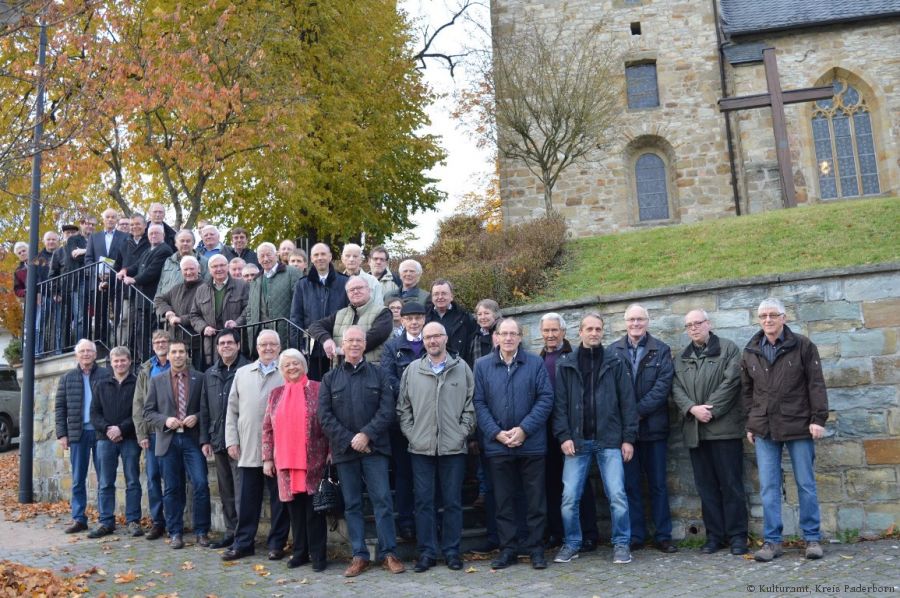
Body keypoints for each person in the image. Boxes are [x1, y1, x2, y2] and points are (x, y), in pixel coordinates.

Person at [742, 298, 828, 562]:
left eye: (773, 315)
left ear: (784, 317)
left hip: (799, 424)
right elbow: (747, 392)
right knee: (768, 486)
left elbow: (816, 384)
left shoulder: (802, 345)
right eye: (763, 316)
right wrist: (751, 423)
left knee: (805, 484)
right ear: (758, 320)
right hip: (765, 428)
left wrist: (818, 419)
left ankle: (812, 539)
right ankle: (772, 542)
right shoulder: (750, 350)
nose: (768, 320)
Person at [318, 325, 405, 577]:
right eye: (349, 341)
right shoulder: (329, 379)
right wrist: (350, 439)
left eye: (358, 341)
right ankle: (359, 555)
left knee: (383, 501)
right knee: (353, 505)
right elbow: (324, 416)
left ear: (365, 345)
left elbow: (387, 410)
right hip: (345, 451)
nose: (354, 345)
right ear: (342, 345)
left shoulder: (379, 376)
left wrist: (366, 435)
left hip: (375, 448)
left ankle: (390, 553)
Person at [552, 313, 638, 566]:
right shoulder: (566, 364)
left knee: (618, 496)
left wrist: (628, 438)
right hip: (576, 443)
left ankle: (622, 544)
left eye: (598, 329)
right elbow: (560, 406)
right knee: (569, 498)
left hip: (610, 440)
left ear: (603, 332)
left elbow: (628, 402)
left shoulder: (615, 362)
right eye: (589, 328)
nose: (593, 333)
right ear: (579, 332)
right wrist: (564, 436)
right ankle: (572, 543)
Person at [473, 318, 554, 570]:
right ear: (495, 337)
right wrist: (496, 433)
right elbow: (478, 402)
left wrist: (524, 430)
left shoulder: (535, 362)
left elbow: (545, 398)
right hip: (498, 445)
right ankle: (507, 549)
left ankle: (536, 549)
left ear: (520, 337)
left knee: (535, 500)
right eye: (503, 333)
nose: (508, 338)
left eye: (513, 334)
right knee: (503, 500)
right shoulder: (482, 365)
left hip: (531, 444)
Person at [397, 322, 475, 573]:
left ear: (445, 337)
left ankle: (452, 551)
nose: (432, 341)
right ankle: (427, 552)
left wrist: (461, 434)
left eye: (437, 336)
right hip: (421, 448)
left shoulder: (461, 368)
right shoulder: (412, 370)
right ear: (423, 340)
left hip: (453, 449)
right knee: (424, 502)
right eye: (428, 337)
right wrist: (412, 434)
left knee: (452, 502)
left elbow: (470, 406)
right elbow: (403, 408)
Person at [671, 309, 748, 556]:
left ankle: (738, 536)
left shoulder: (728, 349)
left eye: (698, 323)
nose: (694, 328)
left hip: (724, 431)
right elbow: (675, 388)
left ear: (708, 324)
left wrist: (709, 410)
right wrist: (692, 409)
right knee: (706, 488)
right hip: (695, 432)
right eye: (689, 325)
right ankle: (715, 536)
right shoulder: (681, 357)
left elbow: (732, 382)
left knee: (731, 486)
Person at [609, 304, 676, 553]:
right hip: (626, 434)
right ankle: (635, 534)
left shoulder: (661, 349)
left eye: (640, 319)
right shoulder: (612, 351)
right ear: (624, 322)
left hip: (654, 429)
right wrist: (628, 418)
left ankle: (663, 535)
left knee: (658, 484)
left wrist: (635, 412)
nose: (635, 324)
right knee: (630, 485)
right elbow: (610, 390)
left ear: (647, 322)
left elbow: (662, 387)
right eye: (631, 320)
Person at [221, 330, 291, 561]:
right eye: (263, 344)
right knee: (247, 499)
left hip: (280, 449)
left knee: (279, 500)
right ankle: (243, 543)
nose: (268, 348)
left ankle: (276, 544)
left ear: (279, 347)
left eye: (273, 344)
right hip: (249, 447)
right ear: (257, 347)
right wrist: (231, 440)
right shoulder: (242, 374)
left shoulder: (287, 372)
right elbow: (231, 410)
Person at [261, 349, 329, 571]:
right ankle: (300, 552)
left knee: (314, 510)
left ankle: (318, 555)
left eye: (296, 363)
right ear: (281, 370)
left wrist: (331, 451)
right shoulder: (275, 394)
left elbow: (329, 422)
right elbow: (267, 429)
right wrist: (267, 459)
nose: (292, 368)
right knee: (294, 510)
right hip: (285, 462)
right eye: (287, 365)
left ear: (304, 366)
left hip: (314, 460)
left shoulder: (318, 389)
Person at [538, 312, 599, 552]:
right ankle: (558, 532)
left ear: (564, 332)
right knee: (552, 484)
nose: (551, 335)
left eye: (555, 330)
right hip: (547, 431)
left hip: (573, 430)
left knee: (579, 484)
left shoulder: (574, 357)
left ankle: (589, 534)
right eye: (546, 331)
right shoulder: (540, 358)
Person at [143, 339, 211, 549]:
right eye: (174, 352)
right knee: (172, 488)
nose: (178, 355)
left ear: (186, 354)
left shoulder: (199, 378)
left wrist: (197, 417)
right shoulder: (157, 380)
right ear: (168, 355)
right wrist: (165, 420)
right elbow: (148, 412)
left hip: (192, 440)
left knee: (200, 484)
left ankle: (201, 532)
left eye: (182, 351)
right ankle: (175, 532)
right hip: (168, 440)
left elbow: (207, 408)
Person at [379, 301, 428, 542]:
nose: (415, 322)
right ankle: (406, 522)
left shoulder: (434, 342)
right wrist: (413, 397)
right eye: (410, 318)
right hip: (402, 420)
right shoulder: (392, 346)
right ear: (403, 321)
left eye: (419, 317)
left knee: (428, 474)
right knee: (404, 472)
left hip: (431, 420)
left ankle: (428, 522)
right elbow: (388, 378)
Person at [200, 329, 250, 549]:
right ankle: (231, 531)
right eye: (221, 343)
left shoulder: (248, 369)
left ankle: (243, 535)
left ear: (238, 345)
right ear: (217, 347)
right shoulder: (210, 373)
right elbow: (203, 408)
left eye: (230, 342)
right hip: (217, 438)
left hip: (241, 441)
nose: (226, 346)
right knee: (226, 490)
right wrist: (205, 439)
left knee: (241, 491)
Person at [88, 346, 143, 538]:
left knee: (133, 481)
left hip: (130, 438)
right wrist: (108, 429)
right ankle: (106, 522)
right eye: (116, 361)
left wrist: (122, 428)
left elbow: (140, 412)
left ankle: (133, 521)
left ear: (129, 361)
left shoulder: (137, 383)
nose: (119, 364)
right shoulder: (101, 384)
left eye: (123, 360)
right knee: (105, 483)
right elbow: (94, 413)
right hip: (105, 440)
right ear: (111, 363)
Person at [54, 339, 108, 534]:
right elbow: (60, 408)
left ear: (95, 354)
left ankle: (105, 518)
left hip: (101, 433)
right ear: (76, 355)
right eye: (82, 351)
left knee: (104, 478)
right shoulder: (67, 378)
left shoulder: (105, 374)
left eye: (89, 351)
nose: (86, 354)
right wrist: (62, 433)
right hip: (78, 434)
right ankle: (79, 519)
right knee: (78, 478)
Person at [288, 242, 348, 380]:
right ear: (311, 259)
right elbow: (296, 317)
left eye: (323, 254)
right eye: (316, 255)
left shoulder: (344, 282)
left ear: (330, 256)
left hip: (338, 347)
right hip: (311, 349)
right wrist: (298, 347)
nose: (320, 257)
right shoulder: (302, 285)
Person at [132, 330, 172, 540]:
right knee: (153, 478)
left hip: (173, 431)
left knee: (174, 479)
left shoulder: (179, 363)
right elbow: (138, 404)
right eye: (157, 341)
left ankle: (175, 521)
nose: (161, 344)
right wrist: (141, 434)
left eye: (164, 340)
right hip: (152, 433)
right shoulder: (146, 369)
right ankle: (158, 522)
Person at [308, 275, 392, 367]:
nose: (356, 291)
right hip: (341, 372)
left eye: (359, 288)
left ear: (369, 290)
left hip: (371, 371)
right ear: (347, 294)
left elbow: (374, 337)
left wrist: (343, 349)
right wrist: (326, 340)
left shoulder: (383, 312)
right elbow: (314, 326)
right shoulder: (340, 314)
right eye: (351, 290)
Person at [236, 242, 300, 350]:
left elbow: (299, 304)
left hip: (286, 335)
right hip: (261, 337)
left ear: (276, 255)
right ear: (258, 259)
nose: (265, 259)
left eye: (269, 255)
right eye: (262, 256)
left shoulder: (292, 273)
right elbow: (250, 309)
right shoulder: (256, 280)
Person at [190, 254, 249, 367]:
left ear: (227, 267)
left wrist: (237, 322)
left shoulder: (242, 285)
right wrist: (203, 327)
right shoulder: (201, 290)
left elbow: (249, 309)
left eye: (222, 265)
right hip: (211, 345)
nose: (219, 269)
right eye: (215, 266)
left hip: (236, 341)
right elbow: (194, 315)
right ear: (209, 270)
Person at [84, 208, 127, 345]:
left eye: (113, 217)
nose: (110, 219)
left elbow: (127, 259)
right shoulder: (94, 237)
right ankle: (99, 343)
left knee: (118, 314)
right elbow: (88, 259)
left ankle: (117, 345)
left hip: (118, 281)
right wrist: (97, 273)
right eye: (107, 217)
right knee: (99, 315)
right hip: (98, 281)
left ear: (116, 220)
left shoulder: (124, 237)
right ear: (103, 219)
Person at [426, 279, 477, 365]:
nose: (440, 297)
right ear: (431, 297)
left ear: (451, 296)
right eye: (436, 294)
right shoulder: (424, 317)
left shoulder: (465, 317)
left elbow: (472, 346)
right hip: (430, 368)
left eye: (444, 293)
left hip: (458, 367)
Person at [154, 256, 203, 333]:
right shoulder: (176, 289)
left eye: (192, 269)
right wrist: (168, 312)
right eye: (185, 269)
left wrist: (181, 320)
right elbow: (158, 299)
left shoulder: (206, 288)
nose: (189, 272)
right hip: (174, 338)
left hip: (195, 338)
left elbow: (204, 313)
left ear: (199, 269)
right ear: (181, 271)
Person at [156, 229, 205, 298]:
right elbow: (160, 285)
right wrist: (157, 305)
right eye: (182, 241)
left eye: (188, 241)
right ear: (176, 244)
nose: (185, 243)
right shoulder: (169, 261)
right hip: (166, 305)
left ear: (193, 243)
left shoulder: (203, 261)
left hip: (190, 306)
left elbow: (207, 287)